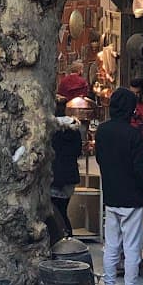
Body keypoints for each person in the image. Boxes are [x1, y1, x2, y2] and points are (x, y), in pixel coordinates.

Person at [95, 87, 143, 285]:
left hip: (111, 196)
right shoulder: (133, 135)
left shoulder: (102, 131)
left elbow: (99, 158)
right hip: (132, 199)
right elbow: (140, 170)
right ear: (130, 109)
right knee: (131, 250)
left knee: (111, 248)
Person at [50, 86, 84, 241]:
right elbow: (78, 151)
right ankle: (67, 236)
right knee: (62, 210)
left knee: (56, 212)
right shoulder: (74, 130)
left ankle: (62, 237)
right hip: (69, 175)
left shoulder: (52, 129)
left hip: (55, 175)